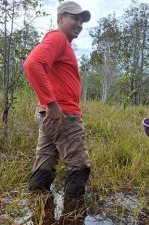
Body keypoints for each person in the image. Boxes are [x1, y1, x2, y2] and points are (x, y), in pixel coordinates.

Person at [23, 1, 91, 197]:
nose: (79, 23)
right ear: (60, 17)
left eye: (81, 20)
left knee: (45, 159)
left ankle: (37, 205)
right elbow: (32, 64)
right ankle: (73, 215)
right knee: (79, 166)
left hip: (51, 114)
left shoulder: (62, 43)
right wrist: (52, 104)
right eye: (74, 18)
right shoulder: (57, 38)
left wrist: (50, 106)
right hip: (62, 114)